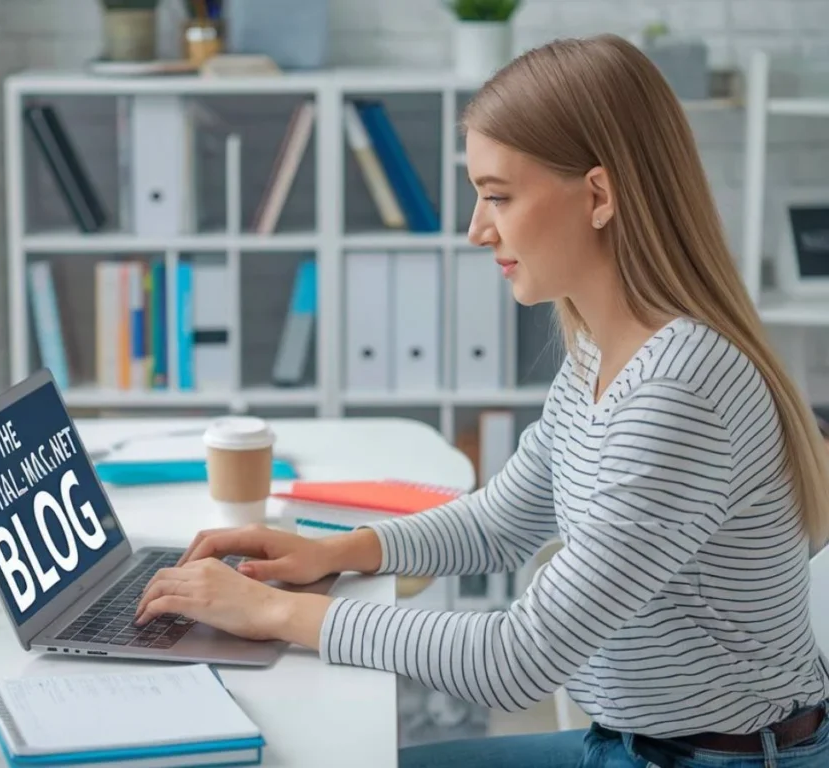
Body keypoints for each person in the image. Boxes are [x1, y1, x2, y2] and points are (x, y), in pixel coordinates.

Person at [134, 34, 829, 768]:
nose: (476, 229)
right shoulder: (604, 352)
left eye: (498, 195)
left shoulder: (681, 393)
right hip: (638, 745)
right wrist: (332, 552)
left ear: (598, 195)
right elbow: (503, 522)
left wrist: (276, 612)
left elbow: (517, 660)